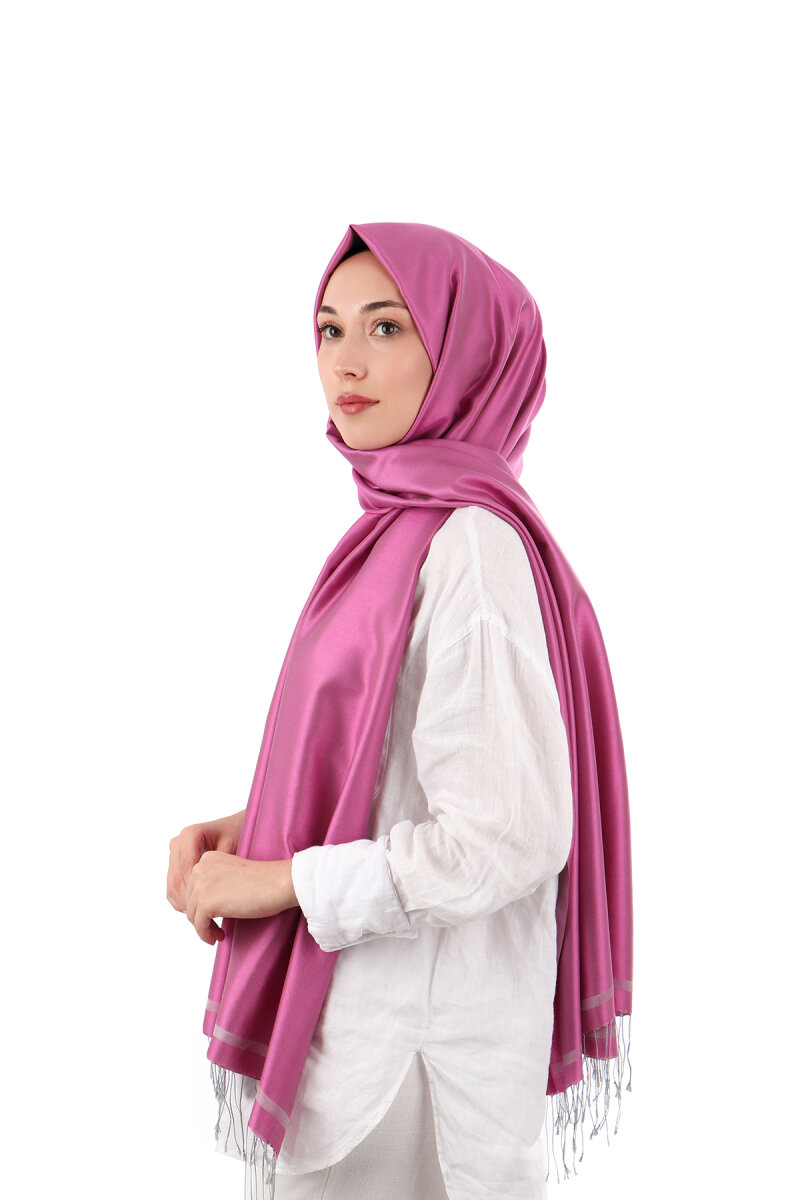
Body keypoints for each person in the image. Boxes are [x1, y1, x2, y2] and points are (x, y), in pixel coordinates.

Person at [167, 223, 633, 1200]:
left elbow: (507, 832)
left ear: (468, 353)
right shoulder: (398, 532)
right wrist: (253, 826)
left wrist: (279, 882)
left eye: (386, 326)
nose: (346, 361)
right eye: (328, 329)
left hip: (417, 1064)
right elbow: (392, 770)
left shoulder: (470, 547)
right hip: (375, 1045)